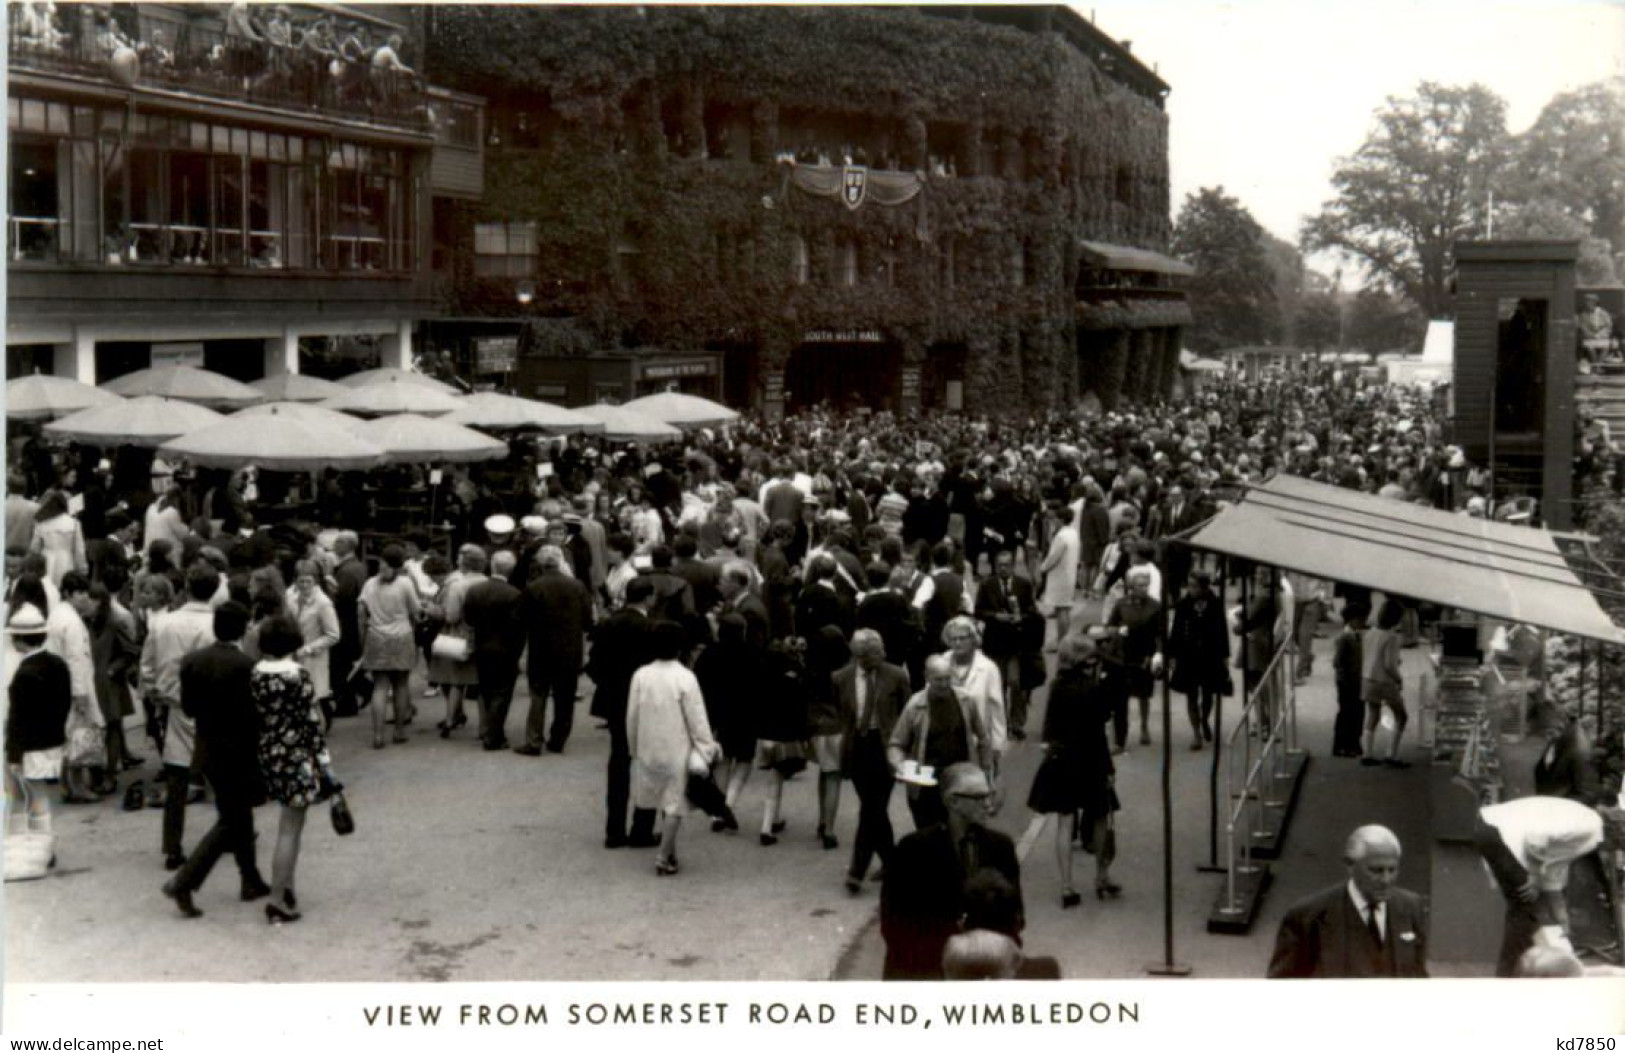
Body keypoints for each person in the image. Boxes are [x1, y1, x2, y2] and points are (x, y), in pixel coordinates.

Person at [162, 602, 269, 918]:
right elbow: (253, 716)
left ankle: (250, 878)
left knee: (237, 814)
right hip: (238, 750)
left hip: (206, 748)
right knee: (233, 820)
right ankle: (185, 881)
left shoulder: (193, 661)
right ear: (243, 628)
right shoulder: (247, 666)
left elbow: (190, 708)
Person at [880, 763, 1020, 980]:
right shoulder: (913, 850)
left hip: (984, 968)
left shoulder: (1001, 847)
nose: (988, 804)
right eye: (979, 797)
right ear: (952, 801)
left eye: (989, 795)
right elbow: (894, 924)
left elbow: (1015, 917)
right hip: (926, 970)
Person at [252, 614, 338, 925]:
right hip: (297, 757)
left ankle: (286, 886)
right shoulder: (297, 675)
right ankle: (277, 897)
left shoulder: (257, 673)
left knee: (288, 825)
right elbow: (313, 723)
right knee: (290, 828)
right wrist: (325, 763)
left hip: (269, 753)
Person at [1026, 633, 1119, 907]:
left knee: (1065, 822)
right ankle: (1101, 876)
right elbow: (1100, 729)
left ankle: (1067, 886)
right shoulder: (1094, 688)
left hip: (1063, 759)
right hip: (1091, 759)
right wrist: (1109, 767)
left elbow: (1050, 724)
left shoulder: (1058, 685)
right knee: (1101, 816)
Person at [1267, 824, 1428, 978]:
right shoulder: (1308, 916)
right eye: (1376, 870)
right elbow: (1283, 987)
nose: (1386, 880)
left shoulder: (1411, 907)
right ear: (1350, 866)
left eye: (1392, 870)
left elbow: (1418, 976)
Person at [139, 564, 219, 869]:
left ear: (186, 586)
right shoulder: (216, 625)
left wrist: (155, 693)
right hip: (211, 708)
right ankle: (230, 834)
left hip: (176, 706)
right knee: (220, 775)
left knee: (177, 779)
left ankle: (173, 847)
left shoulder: (164, 623)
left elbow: (147, 665)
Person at [626, 620, 719, 877]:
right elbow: (697, 719)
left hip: (648, 747)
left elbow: (632, 716)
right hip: (676, 748)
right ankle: (663, 856)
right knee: (674, 804)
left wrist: (633, 747)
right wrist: (707, 747)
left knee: (659, 801)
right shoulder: (685, 677)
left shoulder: (641, 675)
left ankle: (671, 854)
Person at [1474, 795, 1605, 977]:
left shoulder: (1586, 838)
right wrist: (1533, 876)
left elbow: (1552, 875)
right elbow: (1536, 839)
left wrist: (1562, 919)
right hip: (1496, 831)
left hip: (1495, 832)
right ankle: (1508, 978)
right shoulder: (1589, 825)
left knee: (1524, 909)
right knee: (1525, 906)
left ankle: (1515, 974)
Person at [836, 629, 911, 893]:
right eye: (874, 654)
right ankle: (894, 863)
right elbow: (840, 714)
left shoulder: (896, 675)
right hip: (857, 747)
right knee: (873, 808)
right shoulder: (841, 678)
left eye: (881, 651)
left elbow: (907, 714)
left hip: (886, 748)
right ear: (859, 656)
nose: (882, 656)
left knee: (872, 807)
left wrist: (905, 753)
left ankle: (856, 871)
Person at [587, 576, 659, 849]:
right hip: (644, 703)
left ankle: (614, 830)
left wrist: (609, 685)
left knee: (618, 763)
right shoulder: (650, 628)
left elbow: (593, 664)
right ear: (649, 598)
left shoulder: (608, 624)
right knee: (646, 765)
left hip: (615, 702)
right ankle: (642, 828)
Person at [888, 654, 992, 830]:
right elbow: (896, 743)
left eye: (947, 679)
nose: (944, 684)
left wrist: (986, 773)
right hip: (927, 785)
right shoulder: (915, 706)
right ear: (927, 677)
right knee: (930, 837)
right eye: (938, 680)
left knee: (962, 832)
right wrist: (900, 765)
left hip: (960, 781)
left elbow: (983, 737)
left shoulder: (966, 701)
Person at [5, 603, 71, 862]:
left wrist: (13, 755)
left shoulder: (24, 674)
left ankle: (44, 848)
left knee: (36, 797)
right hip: (54, 739)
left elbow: (17, 720)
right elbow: (65, 703)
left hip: (32, 745)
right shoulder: (58, 664)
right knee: (43, 795)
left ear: (19, 640)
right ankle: (45, 845)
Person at [517, 545, 593, 755]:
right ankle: (558, 739)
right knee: (565, 696)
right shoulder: (577, 586)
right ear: (560, 562)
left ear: (541, 564)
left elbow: (522, 619)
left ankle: (534, 740)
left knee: (538, 694)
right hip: (569, 649)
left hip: (540, 648)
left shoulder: (534, 588)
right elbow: (588, 621)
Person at [358, 544, 422, 749]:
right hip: (402, 635)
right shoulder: (405, 583)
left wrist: (363, 638)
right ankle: (399, 730)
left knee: (380, 687)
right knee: (401, 685)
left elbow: (361, 611)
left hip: (376, 636)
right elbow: (416, 610)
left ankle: (378, 735)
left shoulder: (370, 584)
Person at [974, 548, 1041, 742]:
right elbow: (978, 610)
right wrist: (995, 616)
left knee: (1016, 683)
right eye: (999, 565)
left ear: (1013, 566)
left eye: (1007, 565)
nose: (1003, 569)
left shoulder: (1024, 585)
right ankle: (1000, 723)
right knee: (997, 685)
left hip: (1017, 643)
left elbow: (1032, 610)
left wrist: (1022, 617)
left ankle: (1017, 723)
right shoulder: (987, 585)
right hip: (995, 642)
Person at [462, 550, 525, 749]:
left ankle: (491, 730)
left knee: (486, 690)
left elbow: (469, 619)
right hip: (505, 649)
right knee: (502, 693)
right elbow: (518, 627)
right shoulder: (514, 594)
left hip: (482, 646)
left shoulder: (475, 590)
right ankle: (494, 735)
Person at [1166, 570, 1229, 749]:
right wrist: (1172, 655)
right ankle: (1196, 733)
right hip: (1188, 654)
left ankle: (1204, 719)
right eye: (1189, 585)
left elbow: (1222, 630)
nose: (1190, 589)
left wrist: (1224, 656)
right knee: (1191, 694)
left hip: (1210, 654)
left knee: (1209, 693)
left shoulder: (1215, 603)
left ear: (1204, 587)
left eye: (1194, 586)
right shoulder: (1184, 604)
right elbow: (1176, 630)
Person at [426, 545, 484, 741]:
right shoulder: (485, 581)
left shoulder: (457, 586)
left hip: (457, 636)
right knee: (476, 681)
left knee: (455, 681)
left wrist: (430, 608)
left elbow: (451, 616)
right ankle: (477, 723)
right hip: (481, 634)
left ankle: (451, 719)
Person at [1102, 565, 1162, 752]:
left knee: (1144, 693)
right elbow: (1109, 627)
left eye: (1146, 585)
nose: (1144, 589)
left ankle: (1144, 725)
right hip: (1124, 654)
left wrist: (1159, 653)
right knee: (1122, 697)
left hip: (1144, 652)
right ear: (1132, 587)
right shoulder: (1121, 604)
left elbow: (1160, 633)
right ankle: (1121, 735)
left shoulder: (1155, 606)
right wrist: (1117, 631)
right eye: (1140, 586)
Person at [939, 615, 1005, 782]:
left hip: (977, 743)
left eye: (962, 638)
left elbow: (997, 709)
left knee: (976, 789)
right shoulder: (941, 664)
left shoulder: (988, 668)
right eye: (953, 639)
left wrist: (996, 746)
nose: (958, 643)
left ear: (973, 639)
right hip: (946, 742)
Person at [285, 561, 339, 712]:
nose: (303, 585)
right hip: (293, 656)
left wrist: (308, 649)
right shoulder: (291, 599)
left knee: (313, 701)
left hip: (313, 658)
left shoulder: (323, 603)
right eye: (300, 581)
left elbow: (334, 635)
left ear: (315, 581)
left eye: (308, 581)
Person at [1360, 599, 1409, 768]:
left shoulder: (1370, 632)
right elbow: (1389, 664)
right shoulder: (1392, 637)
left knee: (1373, 714)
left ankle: (1367, 753)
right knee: (1401, 716)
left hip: (1368, 678)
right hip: (1385, 682)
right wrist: (1399, 678)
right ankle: (1391, 754)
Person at [326, 531, 367, 717]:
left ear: (349, 545)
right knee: (347, 661)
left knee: (340, 662)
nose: (335, 544)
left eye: (339, 541)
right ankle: (363, 687)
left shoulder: (347, 570)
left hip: (345, 620)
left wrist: (331, 590)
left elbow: (342, 597)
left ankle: (348, 702)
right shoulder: (357, 566)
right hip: (353, 620)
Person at [1036, 504, 1080, 646]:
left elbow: (1054, 556)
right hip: (1069, 572)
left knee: (1062, 609)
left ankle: (1062, 641)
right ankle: (1064, 639)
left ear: (1061, 519)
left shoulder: (1061, 536)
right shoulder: (1073, 533)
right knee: (1064, 608)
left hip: (1060, 575)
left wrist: (1043, 567)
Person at [1331, 604, 1368, 757]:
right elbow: (1337, 661)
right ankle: (1343, 744)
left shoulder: (1356, 636)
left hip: (1357, 680)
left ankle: (1353, 742)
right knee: (1347, 712)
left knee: (1358, 712)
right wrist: (1344, 676)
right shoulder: (1345, 637)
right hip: (1348, 681)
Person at [29, 490, 86, 589]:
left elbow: (34, 548)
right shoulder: (74, 523)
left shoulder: (42, 522)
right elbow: (79, 550)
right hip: (67, 560)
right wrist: (82, 568)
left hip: (46, 559)